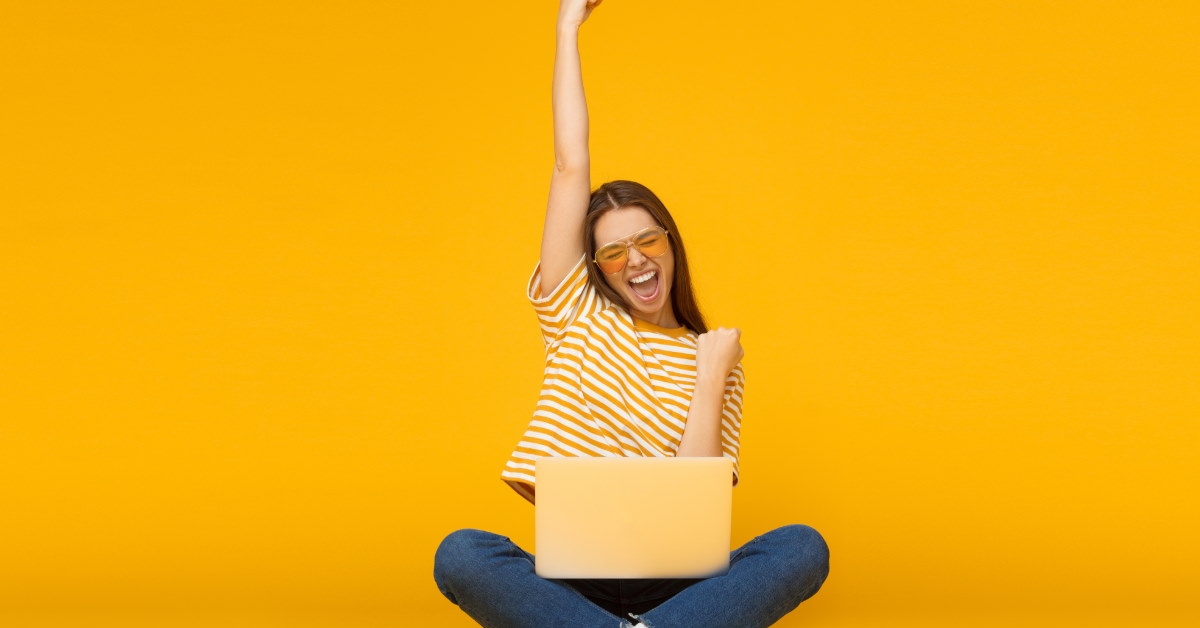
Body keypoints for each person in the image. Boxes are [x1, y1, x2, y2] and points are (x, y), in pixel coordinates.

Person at [433, 1, 829, 626]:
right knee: (461, 554)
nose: (635, 261)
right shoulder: (575, 312)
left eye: (647, 241)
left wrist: (710, 374)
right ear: (596, 268)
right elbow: (570, 165)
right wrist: (567, 27)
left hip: (678, 589)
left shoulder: (714, 357)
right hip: (572, 583)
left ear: (670, 244)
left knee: (802, 547)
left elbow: (694, 505)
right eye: (613, 252)